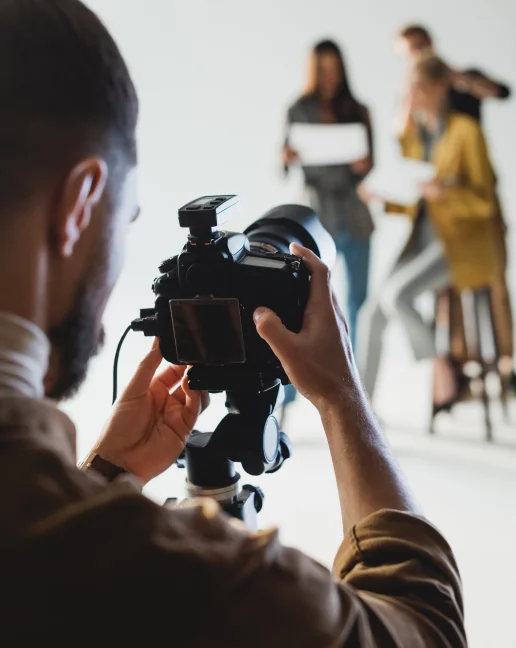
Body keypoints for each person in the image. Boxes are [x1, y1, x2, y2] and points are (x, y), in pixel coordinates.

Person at [0, 2, 467, 645]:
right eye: (126, 218)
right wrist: (341, 399)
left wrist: (104, 477)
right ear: (79, 206)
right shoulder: (192, 578)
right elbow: (423, 628)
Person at [357, 55, 498, 411]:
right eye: (409, 89)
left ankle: (441, 362)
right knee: (371, 313)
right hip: (422, 239)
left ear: (440, 88)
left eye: (419, 88)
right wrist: (382, 196)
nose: (413, 96)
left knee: (397, 294)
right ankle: (361, 407)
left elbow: (485, 202)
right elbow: (414, 198)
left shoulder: (467, 131)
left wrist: (445, 192)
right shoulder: (418, 140)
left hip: (462, 242)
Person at [396, 24, 514, 392]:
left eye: (416, 48)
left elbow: (502, 92)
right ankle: (453, 368)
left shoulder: (462, 100)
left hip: (473, 228)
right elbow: (405, 158)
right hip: (441, 231)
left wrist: (456, 78)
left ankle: (497, 366)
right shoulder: (420, 123)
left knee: (491, 297)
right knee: (436, 304)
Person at [283, 39, 374, 349]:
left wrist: (363, 166)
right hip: (318, 218)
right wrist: (287, 157)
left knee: (358, 301)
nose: (330, 77)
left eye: (335, 70)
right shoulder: (298, 109)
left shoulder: (358, 109)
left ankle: (355, 377)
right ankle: (297, 386)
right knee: (309, 303)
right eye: (324, 70)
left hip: (355, 216)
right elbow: (281, 168)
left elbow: (370, 168)